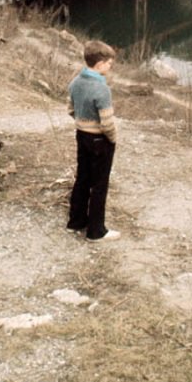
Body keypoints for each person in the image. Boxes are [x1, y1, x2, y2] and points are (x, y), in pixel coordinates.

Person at [67, 40, 120, 242]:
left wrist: (82, 123)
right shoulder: (102, 89)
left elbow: (70, 109)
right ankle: (96, 231)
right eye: (109, 63)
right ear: (99, 65)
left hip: (82, 135)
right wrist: (113, 139)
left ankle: (76, 221)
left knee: (82, 178)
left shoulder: (75, 82)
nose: (110, 66)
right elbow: (107, 123)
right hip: (100, 139)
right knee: (99, 184)